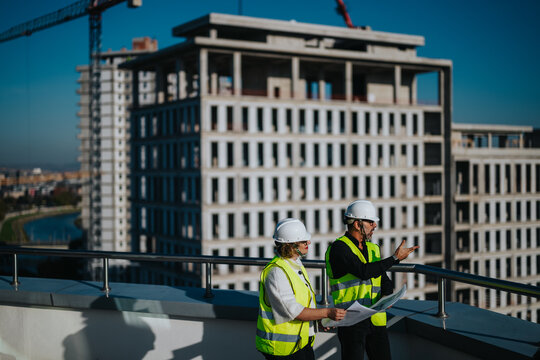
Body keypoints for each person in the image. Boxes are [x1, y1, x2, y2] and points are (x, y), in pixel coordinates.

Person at [325, 200, 419, 360]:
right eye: (370, 222)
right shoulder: (339, 248)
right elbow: (363, 272)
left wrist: (388, 295)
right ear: (356, 224)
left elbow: (382, 278)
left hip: (376, 319)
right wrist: (395, 258)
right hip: (351, 321)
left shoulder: (372, 248)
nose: (375, 225)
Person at [256, 218, 347, 359]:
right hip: (282, 348)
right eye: (304, 241)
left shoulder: (295, 264)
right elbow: (294, 311)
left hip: (299, 343)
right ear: (291, 245)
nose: (308, 243)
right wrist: (327, 313)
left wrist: (317, 320)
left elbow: (303, 303)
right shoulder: (277, 272)